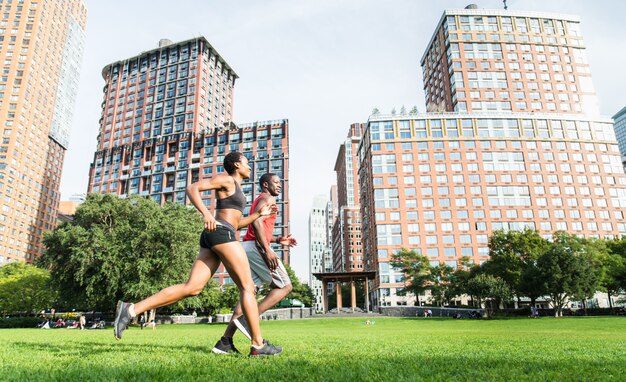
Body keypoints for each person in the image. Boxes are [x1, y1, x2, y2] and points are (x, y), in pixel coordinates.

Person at [113, 152, 282, 356]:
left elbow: (236, 223)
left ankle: (131, 310)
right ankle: (258, 345)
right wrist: (206, 212)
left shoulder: (237, 188)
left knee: (192, 287)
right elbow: (193, 188)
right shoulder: (227, 179)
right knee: (247, 287)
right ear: (237, 164)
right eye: (246, 163)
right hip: (221, 233)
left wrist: (258, 215)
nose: (249, 167)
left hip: (218, 233)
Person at [212, 173, 297, 354]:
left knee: (247, 292)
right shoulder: (266, 198)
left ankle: (225, 342)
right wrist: (267, 250)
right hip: (257, 248)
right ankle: (248, 319)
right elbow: (257, 223)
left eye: (280, 182)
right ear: (265, 184)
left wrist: (279, 239)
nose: (279, 185)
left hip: (249, 247)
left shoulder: (262, 199)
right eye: (276, 182)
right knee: (285, 286)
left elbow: (258, 228)